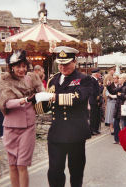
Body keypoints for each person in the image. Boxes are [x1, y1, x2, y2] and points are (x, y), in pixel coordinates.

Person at [42, 46, 92, 187]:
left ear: (74, 62)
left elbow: (78, 98)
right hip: (57, 133)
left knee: (76, 171)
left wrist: (53, 97)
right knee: (54, 171)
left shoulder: (84, 79)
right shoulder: (53, 80)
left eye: (66, 63)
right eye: (60, 64)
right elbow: (48, 105)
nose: (62, 67)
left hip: (75, 133)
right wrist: (37, 100)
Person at [0, 50, 43, 187]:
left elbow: (42, 95)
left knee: (22, 165)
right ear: (11, 67)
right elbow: (6, 104)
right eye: (18, 66)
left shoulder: (32, 78)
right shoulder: (4, 80)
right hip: (10, 127)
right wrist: (24, 100)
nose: (22, 69)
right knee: (12, 165)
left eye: (24, 66)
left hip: (28, 127)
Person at [107, 73, 126, 144]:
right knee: (116, 123)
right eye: (119, 78)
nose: (119, 80)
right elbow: (113, 91)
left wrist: (121, 95)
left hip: (124, 107)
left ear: (124, 79)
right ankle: (117, 139)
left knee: (124, 124)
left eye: (120, 78)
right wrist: (109, 86)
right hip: (118, 107)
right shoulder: (120, 86)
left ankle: (124, 140)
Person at [89, 68, 102, 135]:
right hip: (93, 100)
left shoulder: (95, 80)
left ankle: (96, 129)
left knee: (97, 116)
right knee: (93, 116)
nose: (100, 74)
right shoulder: (92, 80)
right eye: (99, 73)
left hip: (96, 100)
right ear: (96, 74)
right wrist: (97, 98)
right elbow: (92, 91)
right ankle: (92, 130)